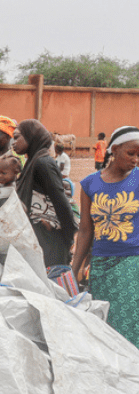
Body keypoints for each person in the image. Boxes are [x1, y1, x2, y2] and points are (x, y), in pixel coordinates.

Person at [73, 126, 139, 348]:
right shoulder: (90, 184)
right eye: (131, 153)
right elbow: (85, 230)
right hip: (100, 266)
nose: (136, 159)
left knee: (128, 326)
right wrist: (75, 268)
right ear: (115, 149)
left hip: (132, 262)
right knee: (103, 327)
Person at [14, 119, 77, 267]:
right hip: (38, 239)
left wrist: (68, 238)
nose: (13, 142)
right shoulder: (32, 162)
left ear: (31, 137)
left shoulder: (43, 163)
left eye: (17, 137)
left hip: (48, 240)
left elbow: (61, 203)